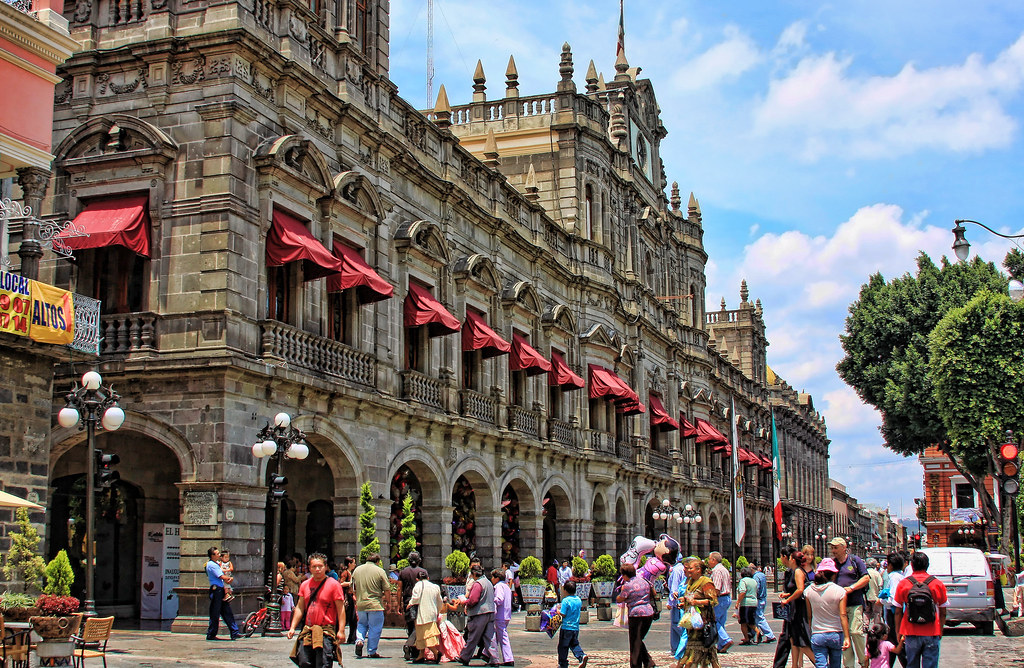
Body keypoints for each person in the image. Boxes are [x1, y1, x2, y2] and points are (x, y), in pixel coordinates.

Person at [287, 553, 346, 668]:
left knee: (323, 664)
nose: (317, 569)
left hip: (326, 631)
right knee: (304, 662)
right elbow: (300, 607)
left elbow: (341, 609)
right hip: (308, 630)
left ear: (325, 567)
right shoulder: (305, 585)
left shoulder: (334, 585)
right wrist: (293, 627)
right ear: (310, 568)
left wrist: (341, 631)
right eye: (314, 566)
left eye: (320, 566)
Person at [892, 551, 948, 668]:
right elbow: (943, 612)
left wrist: (898, 631)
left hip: (910, 631)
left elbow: (897, 611)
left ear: (911, 566)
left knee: (911, 664)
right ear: (927, 565)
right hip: (932, 631)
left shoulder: (904, 584)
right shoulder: (937, 584)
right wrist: (940, 629)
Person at [829, 538, 868, 668]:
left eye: (835, 548)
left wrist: (852, 588)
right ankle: (849, 665)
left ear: (843, 547)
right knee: (845, 636)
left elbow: (866, 578)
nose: (833, 550)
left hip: (855, 602)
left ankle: (864, 661)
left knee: (856, 632)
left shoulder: (854, 561)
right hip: (840, 606)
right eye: (832, 548)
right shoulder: (833, 564)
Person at [804, 558, 850, 668]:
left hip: (818, 633)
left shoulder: (809, 591)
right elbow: (843, 615)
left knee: (820, 665)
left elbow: (809, 616)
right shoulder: (840, 591)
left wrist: (811, 631)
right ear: (834, 575)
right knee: (835, 665)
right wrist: (847, 637)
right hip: (836, 633)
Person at [676, 556, 720, 668]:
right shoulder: (691, 582)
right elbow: (689, 597)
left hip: (703, 621)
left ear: (698, 569)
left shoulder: (706, 582)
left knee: (696, 654)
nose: (688, 570)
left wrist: (696, 602)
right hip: (692, 622)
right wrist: (684, 602)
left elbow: (713, 601)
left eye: (690, 568)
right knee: (706, 652)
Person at [773, 546, 813, 668]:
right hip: (794, 610)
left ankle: (822, 665)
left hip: (798, 610)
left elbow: (800, 590)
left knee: (802, 642)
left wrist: (787, 600)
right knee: (794, 640)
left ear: (791, 558)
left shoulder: (797, 571)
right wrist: (788, 594)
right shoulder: (794, 571)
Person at [352, 552, 392, 659]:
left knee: (361, 624)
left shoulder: (357, 570)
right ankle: (372, 650)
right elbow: (387, 589)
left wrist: (357, 600)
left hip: (361, 604)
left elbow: (353, 588)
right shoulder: (380, 571)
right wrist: (388, 603)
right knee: (375, 627)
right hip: (375, 604)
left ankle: (359, 640)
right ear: (378, 561)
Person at [616, 562, 655, 668]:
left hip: (636, 615)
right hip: (648, 613)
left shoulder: (627, 586)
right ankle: (648, 662)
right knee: (638, 639)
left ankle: (636, 664)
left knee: (634, 641)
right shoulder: (644, 581)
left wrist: (621, 592)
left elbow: (620, 598)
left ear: (624, 575)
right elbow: (654, 593)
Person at [457, 563, 497, 666]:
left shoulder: (478, 584)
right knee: (489, 637)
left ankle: (465, 657)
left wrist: (464, 602)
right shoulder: (488, 582)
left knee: (473, 637)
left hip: (480, 614)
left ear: (474, 574)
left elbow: (473, 600)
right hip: (490, 612)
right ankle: (494, 659)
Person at [409, 569, 444, 664]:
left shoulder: (418, 585)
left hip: (422, 614)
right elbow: (439, 601)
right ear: (428, 578)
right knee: (425, 635)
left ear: (417, 579)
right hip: (432, 613)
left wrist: (410, 604)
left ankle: (436, 652)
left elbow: (415, 599)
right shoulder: (435, 587)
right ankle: (421, 655)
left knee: (425, 636)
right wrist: (438, 611)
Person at [205, 547, 240, 641]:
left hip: (220, 589)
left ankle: (234, 632)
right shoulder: (211, 565)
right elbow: (220, 576)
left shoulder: (216, 564)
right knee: (215, 612)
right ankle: (211, 634)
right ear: (212, 555)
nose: (219, 555)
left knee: (227, 611)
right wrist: (229, 579)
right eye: (217, 554)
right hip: (216, 590)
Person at [400, 551, 429, 661]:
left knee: (411, 626)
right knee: (418, 626)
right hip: (420, 602)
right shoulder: (423, 571)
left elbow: (399, 589)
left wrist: (399, 603)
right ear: (419, 560)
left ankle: (413, 649)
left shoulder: (403, 572)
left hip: (407, 601)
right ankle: (410, 645)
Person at [880, 553, 906, 668]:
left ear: (890, 565)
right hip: (895, 614)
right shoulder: (900, 576)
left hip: (894, 614)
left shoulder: (894, 577)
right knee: (894, 645)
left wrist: (881, 601)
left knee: (895, 643)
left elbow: (894, 599)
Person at [555, 580, 589, 668]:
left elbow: (563, 613)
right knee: (574, 644)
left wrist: (558, 611)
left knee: (563, 646)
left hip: (566, 627)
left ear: (565, 590)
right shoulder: (578, 600)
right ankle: (581, 656)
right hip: (575, 628)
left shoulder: (565, 601)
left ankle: (563, 664)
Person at [707, 552, 733, 653]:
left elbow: (717, 588)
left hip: (720, 598)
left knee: (714, 621)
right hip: (726, 597)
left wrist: (711, 599)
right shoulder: (724, 569)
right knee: (721, 621)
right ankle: (721, 644)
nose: (708, 561)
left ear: (714, 560)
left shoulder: (717, 571)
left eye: (709, 559)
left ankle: (726, 640)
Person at [489, 568, 515, 667]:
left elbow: (499, 599)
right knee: (496, 636)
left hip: (500, 615)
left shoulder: (498, 586)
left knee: (502, 636)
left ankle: (508, 658)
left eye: (492, 577)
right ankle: (486, 653)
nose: (491, 579)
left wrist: (492, 602)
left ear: (497, 578)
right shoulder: (506, 586)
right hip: (506, 614)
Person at [752, 560, 777, 643]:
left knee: (759, 618)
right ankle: (756, 634)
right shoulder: (762, 575)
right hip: (763, 598)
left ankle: (770, 635)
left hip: (758, 599)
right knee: (756, 617)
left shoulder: (755, 577)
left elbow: (756, 588)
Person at [667, 555, 688, 654]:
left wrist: (670, 602)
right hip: (680, 601)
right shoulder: (680, 569)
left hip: (677, 602)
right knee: (674, 625)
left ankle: (685, 645)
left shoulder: (676, 570)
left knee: (677, 624)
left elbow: (674, 587)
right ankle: (675, 648)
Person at [735, 567, 758, 645]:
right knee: (751, 619)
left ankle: (749, 637)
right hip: (754, 602)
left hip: (746, 603)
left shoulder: (743, 581)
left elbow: (742, 592)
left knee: (743, 622)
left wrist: (738, 602)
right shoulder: (754, 581)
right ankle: (753, 634)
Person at [338, 556, 357, 645]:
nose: (355, 564)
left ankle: (352, 637)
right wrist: (350, 583)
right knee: (348, 617)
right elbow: (341, 583)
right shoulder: (345, 573)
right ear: (349, 564)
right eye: (353, 563)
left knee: (353, 618)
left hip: (351, 596)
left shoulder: (351, 572)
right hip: (347, 597)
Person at [279, 561, 295, 629]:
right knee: (282, 618)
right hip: (283, 609)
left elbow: (291, 601)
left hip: (288, 609)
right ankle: (283, 626)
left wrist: (293, 606)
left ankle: (287, 626)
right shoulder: (289, 573)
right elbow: (296, 580)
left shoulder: (289, 595)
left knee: (288, 618)